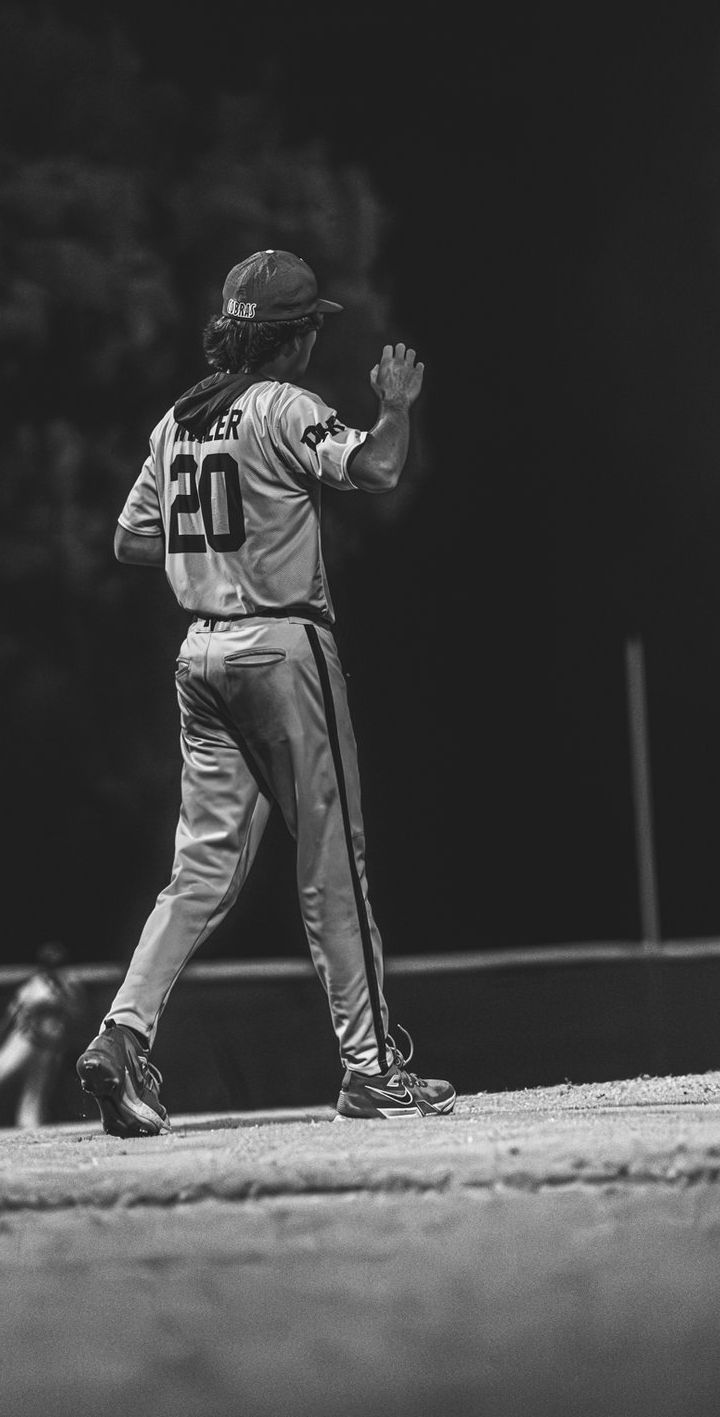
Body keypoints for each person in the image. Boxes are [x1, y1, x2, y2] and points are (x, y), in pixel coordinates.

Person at [76, 248, 455, 1135]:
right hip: (282, 648)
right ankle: (370, 1070)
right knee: (331, 866)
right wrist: (395, 409)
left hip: (198, 656)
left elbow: (130, 540)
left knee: (198, 873)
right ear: (292, 340)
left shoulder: (176, 421)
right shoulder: (285, 406)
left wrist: (208, 544)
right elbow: (375, 470)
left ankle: (121, 1034)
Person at [0, 942, 84, 1128]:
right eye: (50, 963)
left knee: (33, 1101)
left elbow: (77, 1015)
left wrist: (63, 1003)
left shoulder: (70, 984)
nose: (54, 967)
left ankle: (31, 1137)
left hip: (49, 1047)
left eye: (58, 963)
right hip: (27, 1041)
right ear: (43, 965)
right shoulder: (33, 987)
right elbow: (11, 1020)